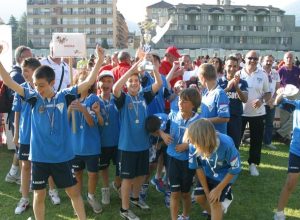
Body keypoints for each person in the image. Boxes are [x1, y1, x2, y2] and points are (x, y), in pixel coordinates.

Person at [0, 44, 105, 220]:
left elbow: (88, 82)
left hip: (62, 158)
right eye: (35, 85)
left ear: (52, 82)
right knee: (39, 195)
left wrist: (100, 61)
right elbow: (10, 82)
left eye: (41, 85)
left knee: (73, 192)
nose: (38, 89)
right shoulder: (33, 97)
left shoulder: (64, 95)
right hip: (40, 158)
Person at [113, 58, 162, 220]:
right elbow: (115, 88)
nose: (134, 83)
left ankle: (135, 198)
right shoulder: (123, 99)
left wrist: (154, 68)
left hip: (143, 144)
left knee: (142, 174)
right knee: (127, 179)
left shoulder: (143, 96)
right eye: (130, 81)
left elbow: (159, 84)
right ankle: (124, 209)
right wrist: (131, 69)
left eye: (136, 80)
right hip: (127, 146)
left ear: (140, 83)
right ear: (127, 84)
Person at [184, 119, 241, 220]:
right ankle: (217, 213)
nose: (191, 142)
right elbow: (198, 167)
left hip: (225, 174)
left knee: (214, 202)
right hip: (207, 172)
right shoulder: (193, 145)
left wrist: (218, 189)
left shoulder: (226, 144)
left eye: (193, 140)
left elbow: (235, 168)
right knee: (199, 198)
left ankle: (217, 210)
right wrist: (207, 191)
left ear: (203, 139)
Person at [160, 88, 202, 220]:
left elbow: (203, 144)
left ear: (193, 105)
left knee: (185, 194)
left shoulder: (199, 121)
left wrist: (188, 145)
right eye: (179, 100)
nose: (180, 103)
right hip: (172, 160)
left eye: (184, 101)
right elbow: (157, 128)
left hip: (188, 162)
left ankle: (185, 216)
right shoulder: (172, 115)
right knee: (174, 193)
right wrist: (163, 135)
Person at [69, 69, 103, 214]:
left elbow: (92, 123)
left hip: (91, 146)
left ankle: (90, 196)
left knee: (93, 174)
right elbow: (65, 123)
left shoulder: (94, 99)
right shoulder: (70, 99)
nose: (83, 84)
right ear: (77, 83)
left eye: (86, 81)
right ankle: (78, 200)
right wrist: (70, 110)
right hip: (75, 147)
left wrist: (83, 109)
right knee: (77, 174)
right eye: (80, 81)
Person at [13, 58, 41, 215]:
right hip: (25, 135)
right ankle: (24, 199)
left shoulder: (42, 87)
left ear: (35, 71)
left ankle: (51, 191)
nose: (23, 74)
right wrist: (16, 133)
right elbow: (17, 112)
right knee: (25, 166)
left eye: (26, 71)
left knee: (43, 165)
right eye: (22, 70)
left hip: (41, 136)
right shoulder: (20, 89)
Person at [240, 50, 271, 176]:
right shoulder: (238, 73)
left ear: (258, 60)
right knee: (235, 140)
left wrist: (261, 100)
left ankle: (253, 164)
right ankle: (234, 163)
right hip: (240, 113)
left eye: (255, 59)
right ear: (244, 59)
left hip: (258, 113)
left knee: (256, 141)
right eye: (250, 58)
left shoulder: (263, 75)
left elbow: (268, 93)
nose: (252, 61)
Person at [5, 46, 32, 185]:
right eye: (29, 56)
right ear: (20, 58)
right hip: (19, 119)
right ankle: (20, 177)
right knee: (22, 149)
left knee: (21, 149)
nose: (32, 57)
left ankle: (13, 173)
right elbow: (14, 98)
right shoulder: (17, 75)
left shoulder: (22, 75)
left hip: (22, 119)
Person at [273, 87, 300, 220]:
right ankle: (279, 213)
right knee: (290, 182)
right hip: (297, 149)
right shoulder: (297, 101)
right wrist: (281, 93)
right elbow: (277, 102)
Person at [97, 70, 121, 204]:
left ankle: (117, 185)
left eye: (109, 81)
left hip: (118, 141)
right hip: (102, 142)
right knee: (103, 168)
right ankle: (105, 190)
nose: (106, 84)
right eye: (103, 81)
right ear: (98, 83)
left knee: (120, 168)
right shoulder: (94, 100)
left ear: (113, 83)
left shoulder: (117, 99)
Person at [218, 56, 248, 149]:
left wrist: (237, 87)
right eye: (229, 66)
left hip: (235, 118)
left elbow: (244, 99)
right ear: (224, 66)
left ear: (238, 67)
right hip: (221, 118)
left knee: (234, 145)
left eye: (235, 66)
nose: (232, 68)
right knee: (220, 144)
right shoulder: (218, 82)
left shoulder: (243, 82)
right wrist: (227, 88)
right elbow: (215, 98)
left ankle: (233, 163)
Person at [274, 52, 300, 145]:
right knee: (287, 115)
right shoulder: (281, 70)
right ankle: (285, 136)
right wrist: (280, 89)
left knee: (296, 115)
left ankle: (282, 134)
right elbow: (276, 83)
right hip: (284, 94)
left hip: (296, 94)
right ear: (284, 59)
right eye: (287, 57)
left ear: (293, 59)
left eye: (290, 57)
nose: (289, 59)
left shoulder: (297, 70)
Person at [198, 63, 230, 134]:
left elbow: (225, 118)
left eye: (199, 79)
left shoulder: (220, 94)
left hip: (216, 138)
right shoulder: (205, 92)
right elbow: (200, 111)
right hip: (205, 135)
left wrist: (204, 121)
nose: (199, 81)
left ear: (203, 78)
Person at [262, 55, 280, 150]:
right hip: (261, 102)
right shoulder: (259, 72)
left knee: (269, 123)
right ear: (262, 61)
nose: (269, 62)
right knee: (258, 123)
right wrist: (266, 100)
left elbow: (277, 87)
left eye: (271, 61)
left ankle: (267, 142)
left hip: (271, 103)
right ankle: (257, 141)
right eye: (267, 60)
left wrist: (273, 99)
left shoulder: (276, 73)